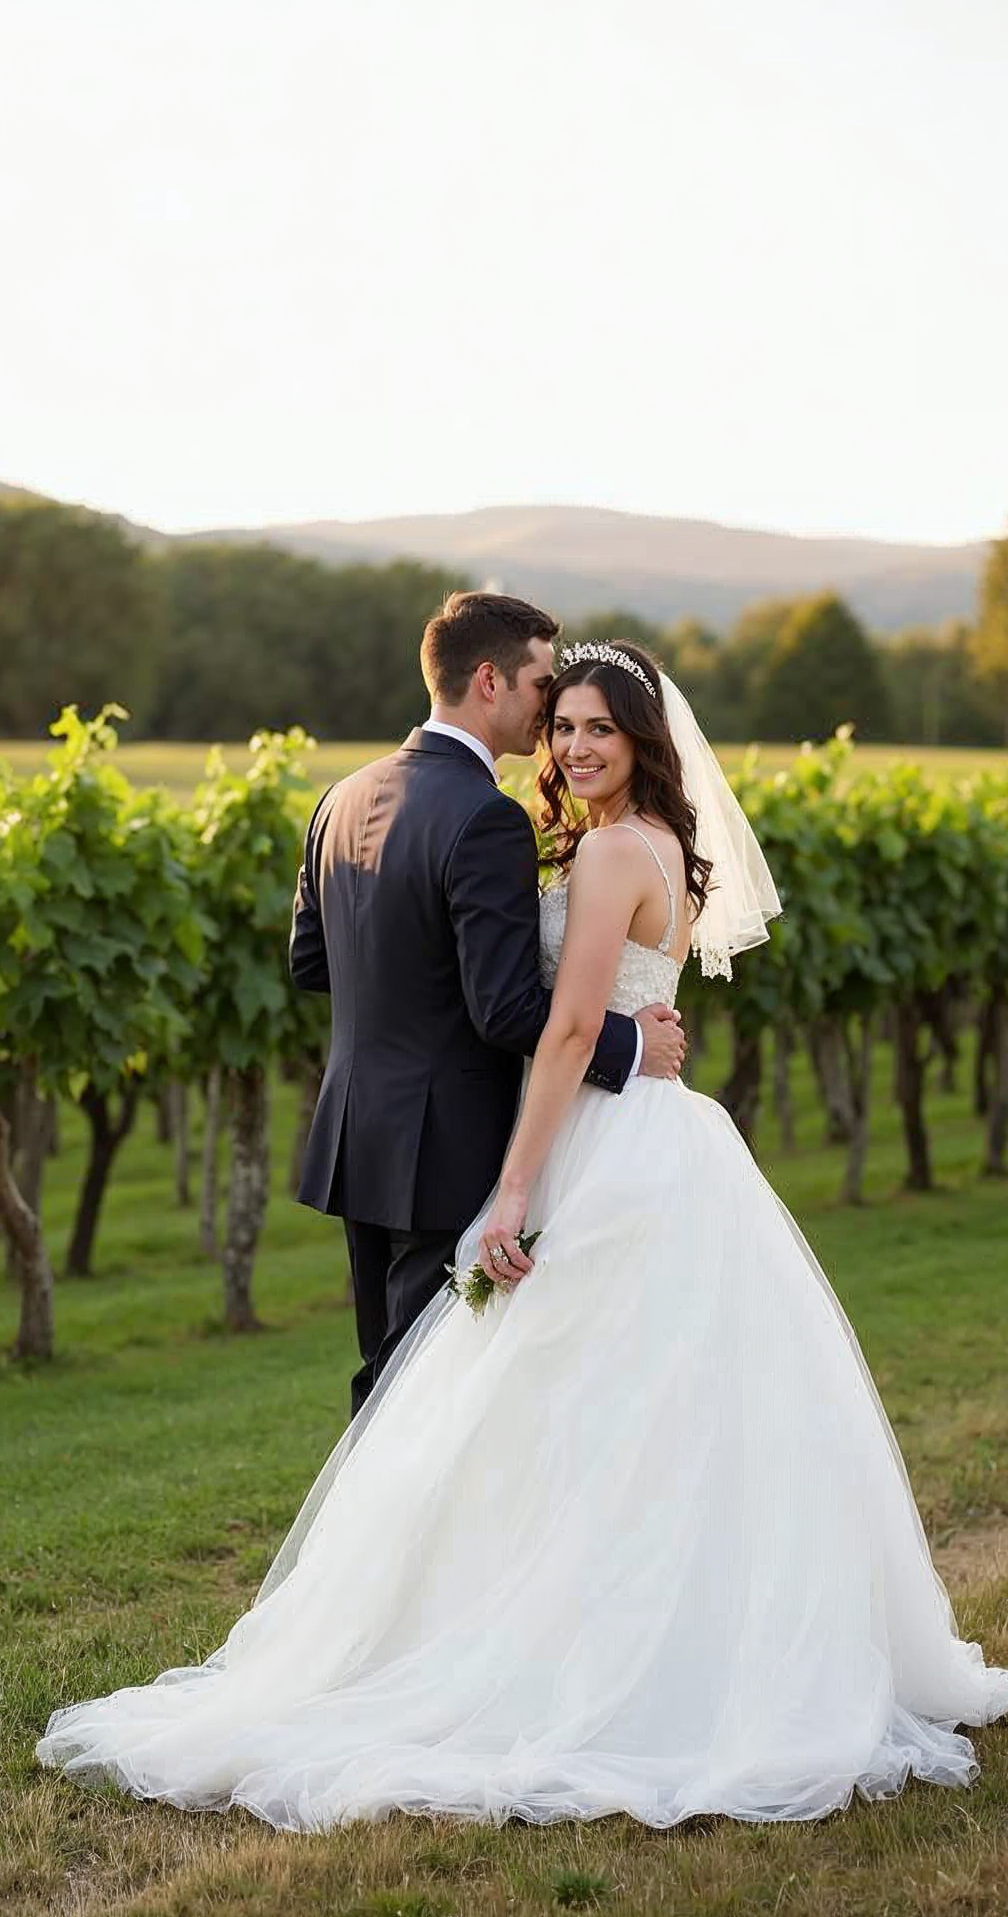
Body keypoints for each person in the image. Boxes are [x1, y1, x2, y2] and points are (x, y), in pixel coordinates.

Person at [35, 630, 1008, 1831]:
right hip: (607, 1132)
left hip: (555, 1146)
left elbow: (542, 1022)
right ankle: (534, 1624)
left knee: (530, 1402)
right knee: (580, 1404)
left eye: (594, 728)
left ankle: (506, 1639)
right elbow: (544, 1003)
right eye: (559, 723)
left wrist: (512, 1189)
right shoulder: (621, 842)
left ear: (641, 740)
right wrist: (607, 1041)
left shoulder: (525, 832)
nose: (568, 745)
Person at [288, 592, 688, 1416]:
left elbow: (312, 963)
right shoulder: (486, 817)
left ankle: (373, 1505)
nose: (550, 713)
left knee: (388, 1374)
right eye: (544, 688)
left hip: (358, 1130)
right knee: (428, 1390)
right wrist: (628, 1044)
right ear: (489, 681)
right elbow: (502, 1010)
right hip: (445, 1142)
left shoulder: (341, 797)